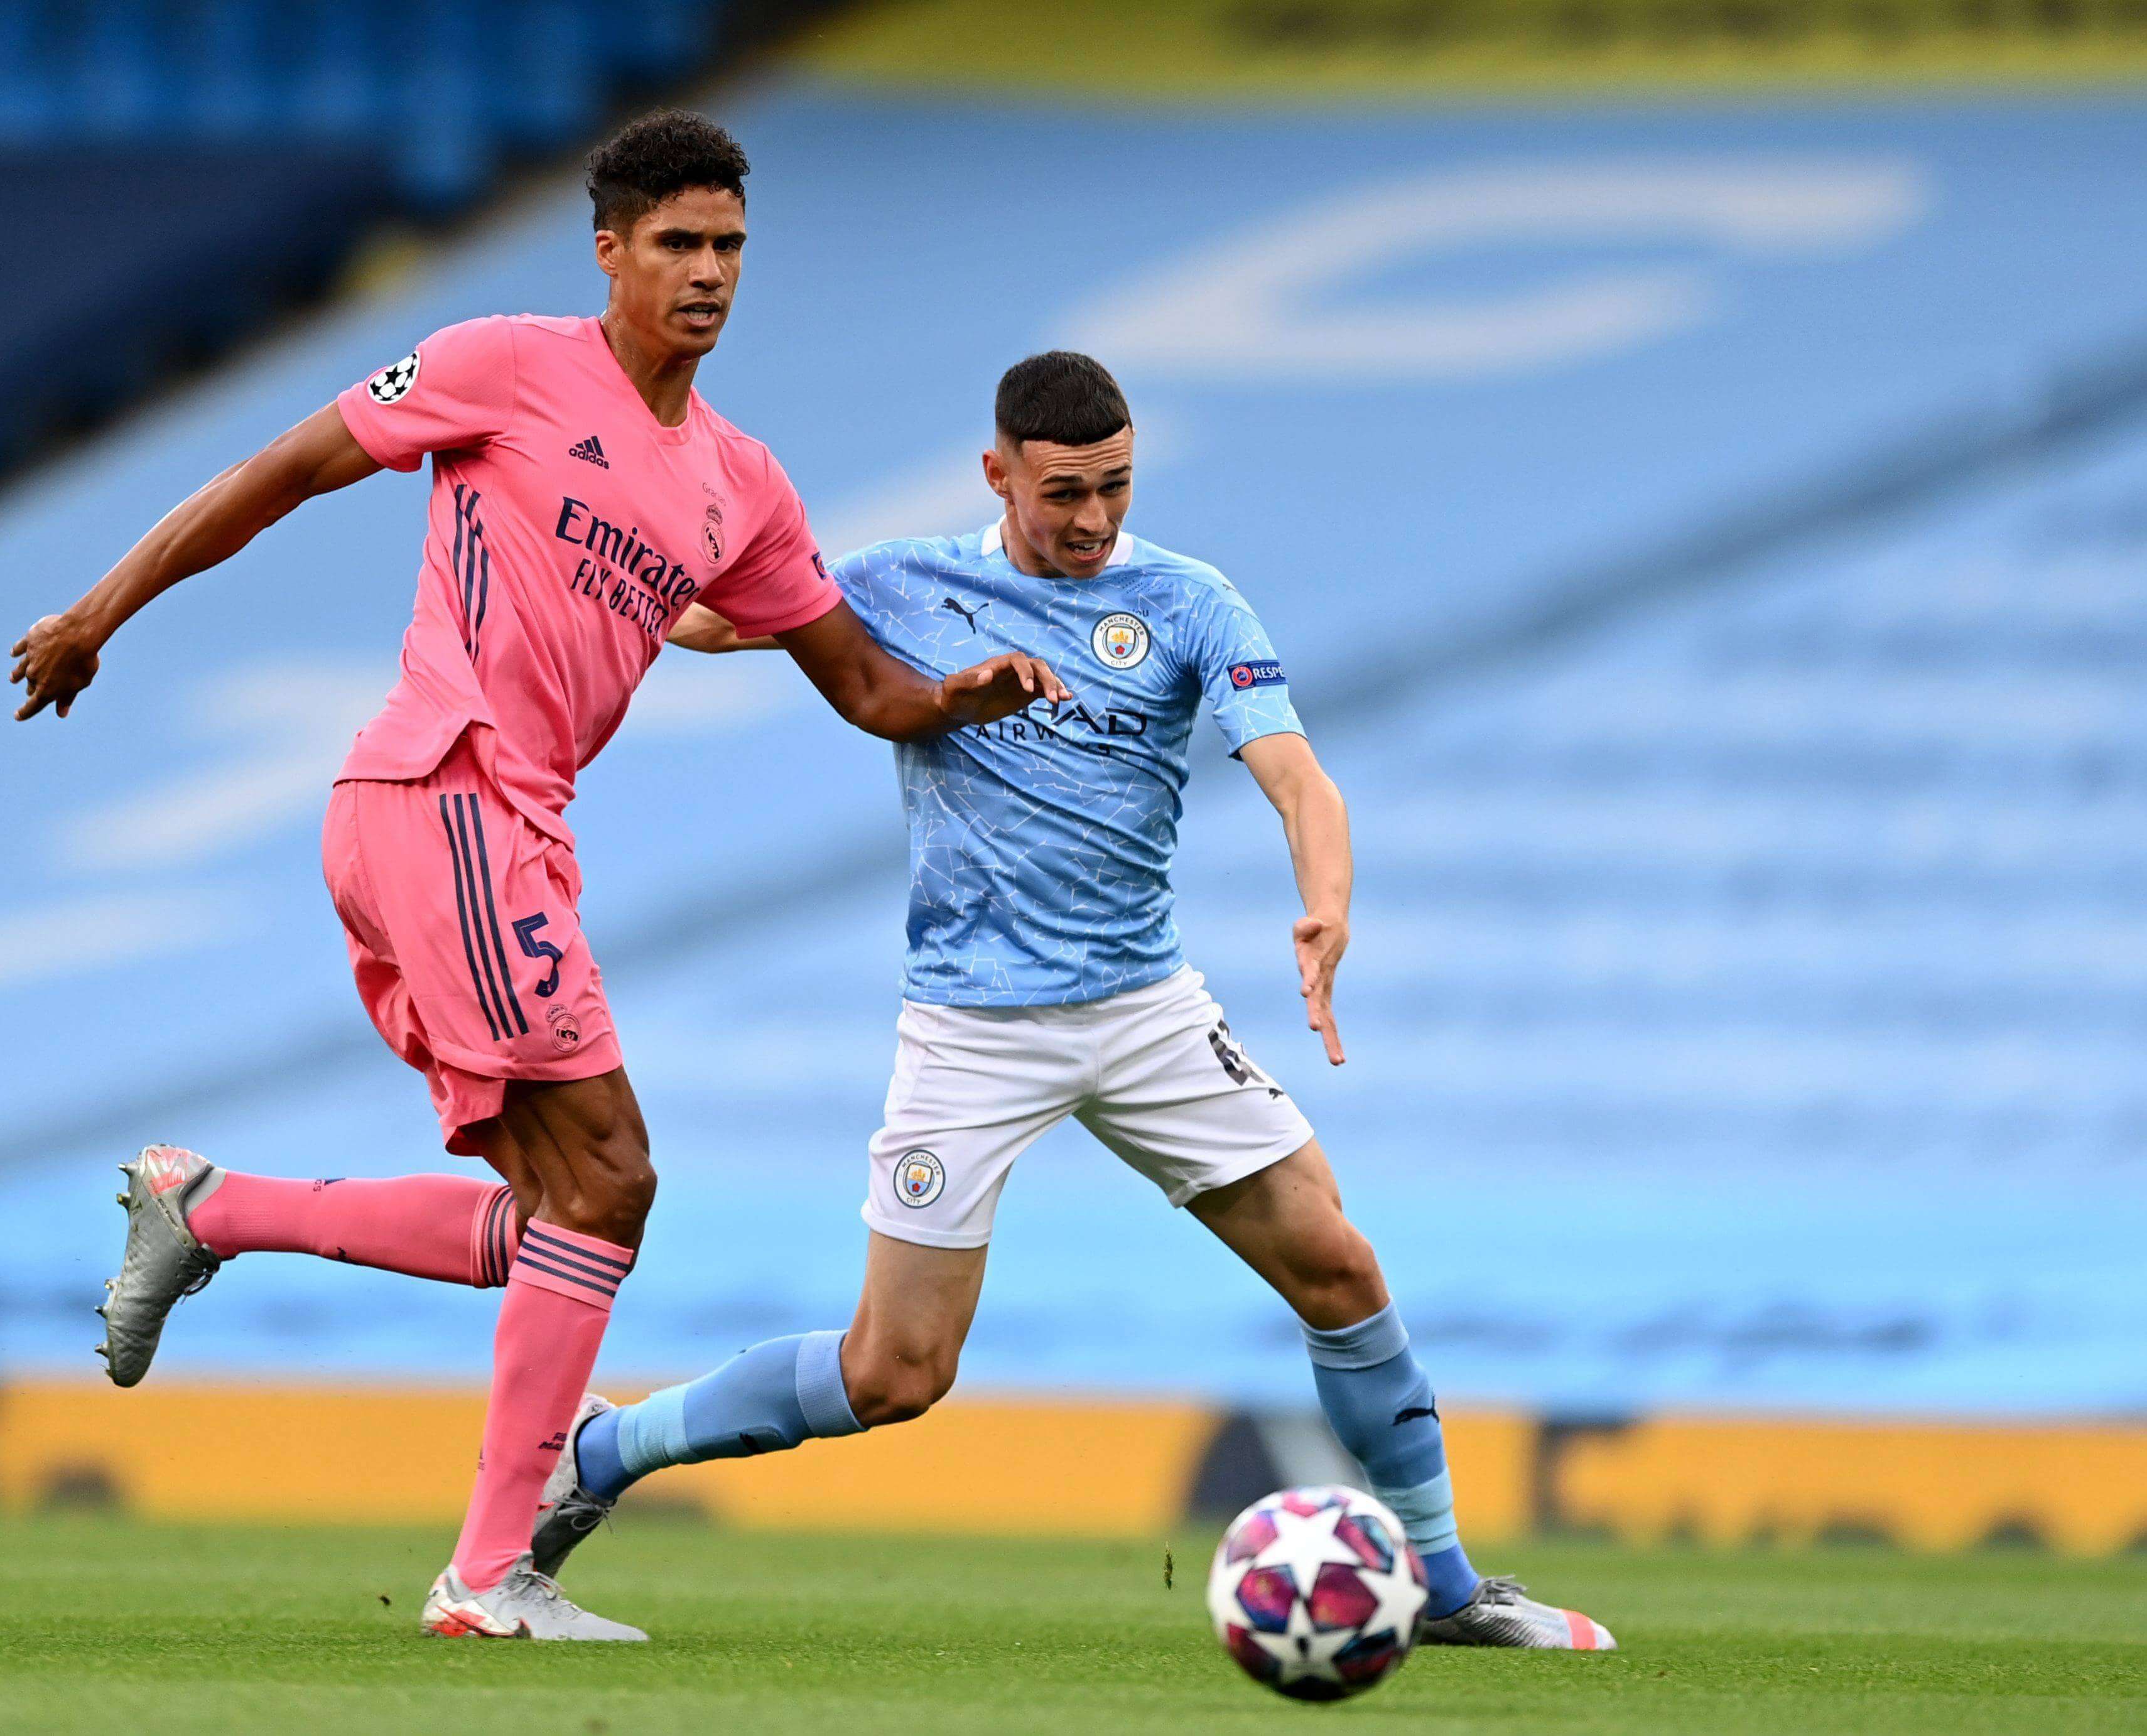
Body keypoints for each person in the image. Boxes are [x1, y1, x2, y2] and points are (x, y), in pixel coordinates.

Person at [7, 112, 1063, 1642]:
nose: (708, 276)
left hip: (502, 826)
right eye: (679, 246)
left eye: (730, 250)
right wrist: (102, 609)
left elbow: (857, 682)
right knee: (613, 1180)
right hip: (440, 789)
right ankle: (489, 1575)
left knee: (562, 1217)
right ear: (610, 252)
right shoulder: (504, 363)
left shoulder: (738, 486)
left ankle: (211, 1209)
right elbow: (282, 467)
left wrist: (959, 694)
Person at [531, 351, 1615, 1651]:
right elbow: (698, 616)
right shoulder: (899, 587)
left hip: (1143, 1011)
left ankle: (1440, 1590)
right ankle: (602, 1448)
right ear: (996, 474)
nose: (1092, 520)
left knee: (1336, 1267)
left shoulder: (1188, 602)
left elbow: (1297, 777)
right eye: (1062, 495)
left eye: (1113, 487)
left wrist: (1325, 899)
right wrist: (594, 559)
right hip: (971, 1026)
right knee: (895, 1373)